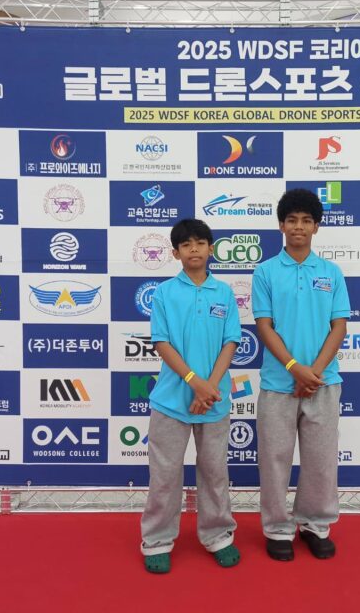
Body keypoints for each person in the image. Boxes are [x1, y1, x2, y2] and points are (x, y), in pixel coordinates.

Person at [252, 188, 350, 561]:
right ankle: (277, 528)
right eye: (291, 220)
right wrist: (295, 368)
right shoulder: (265, 271)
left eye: (306, 221)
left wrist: (314, 372)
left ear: (316, 227)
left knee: (320, 460)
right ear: (281, 225)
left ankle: (315, 524)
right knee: (274, 459)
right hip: (279, 384)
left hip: (323, 382)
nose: (298, 227)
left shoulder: (331, 272)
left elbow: (339, 327)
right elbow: (265, 326)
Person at [140, 218, 241, 573]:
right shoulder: (165, 293)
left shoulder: (224, 293)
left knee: (214, 472)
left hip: (214, 400)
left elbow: (231, 342)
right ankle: (157, 539)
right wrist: (194, 382)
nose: (193, 249)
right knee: (165, 474)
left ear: (211, 248)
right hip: (171, 400)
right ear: (175, 253)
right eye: (186, 244)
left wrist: (208, 387)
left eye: (200, 242)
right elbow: (161, 342)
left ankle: (218, 535)